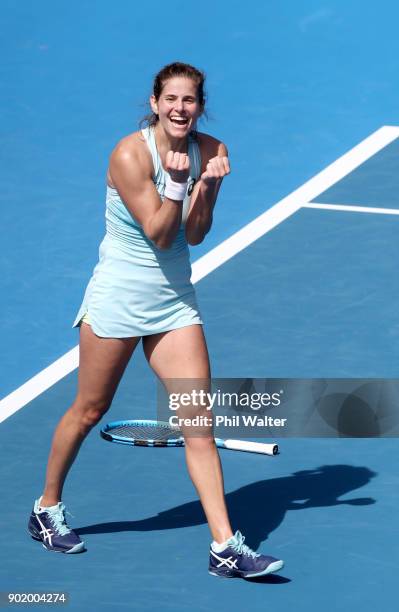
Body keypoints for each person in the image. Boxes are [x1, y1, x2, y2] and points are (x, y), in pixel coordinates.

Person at [28, 62, 284, 579]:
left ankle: (225, 546)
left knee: (199, 425)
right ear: (154, 102)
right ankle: (46, 508)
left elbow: (195, 234)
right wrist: (176, 181)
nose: (179, 108)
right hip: (119, 298)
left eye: (189, 100)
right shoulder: (128, 154)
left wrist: (206, 188)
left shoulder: (213, 151)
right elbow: (160, 233)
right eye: (170, 99)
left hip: (174, 304)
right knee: (89, 408)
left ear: (200, 105)